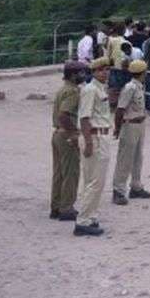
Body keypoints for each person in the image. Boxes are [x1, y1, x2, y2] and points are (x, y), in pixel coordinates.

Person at [75, 57, 114, 237]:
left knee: (94, 181)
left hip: (102, 135)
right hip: (95, 137)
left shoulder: (100, 89)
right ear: (94, 72)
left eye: (107, 69)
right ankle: (83, 220)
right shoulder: (90, 90)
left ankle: (90, 216)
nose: (105, 72)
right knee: (94, 181)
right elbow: (84, 117)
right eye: (101, 70)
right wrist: (89, 142)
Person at [112, 59, 150, 205]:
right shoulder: (130, 88)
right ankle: (118, 190)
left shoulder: (139, 86)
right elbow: (120, 109)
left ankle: (136, 186)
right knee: (125, 158)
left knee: (137, 157)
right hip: (130, 124)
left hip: (139, 123)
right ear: (142, 73)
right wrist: (117, 128)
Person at [49, 61, 86, 221]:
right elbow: (64, 115)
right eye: (81, 73)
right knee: (71, 172)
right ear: (73, 75)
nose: (84, 76)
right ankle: (67, 208)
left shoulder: (62, 89)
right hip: (66, 136)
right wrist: (74, 133)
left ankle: (56, 206)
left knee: (59, 173)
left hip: (57, 134)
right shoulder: (72, 92)